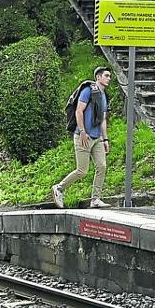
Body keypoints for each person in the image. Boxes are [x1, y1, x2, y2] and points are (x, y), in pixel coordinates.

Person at [52, 66, 112, 209]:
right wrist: (83, 131)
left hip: (97, 138)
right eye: (106, 75)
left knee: (102, 166)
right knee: (82, 171)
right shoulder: (88, 91)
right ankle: (59, 188)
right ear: (98, 77)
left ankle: (95, 199)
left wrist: (105, 139)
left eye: (109, 76)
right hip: (83, 136)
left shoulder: (104, 96)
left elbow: (103, 119)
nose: (109, 78)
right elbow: (79, 111)